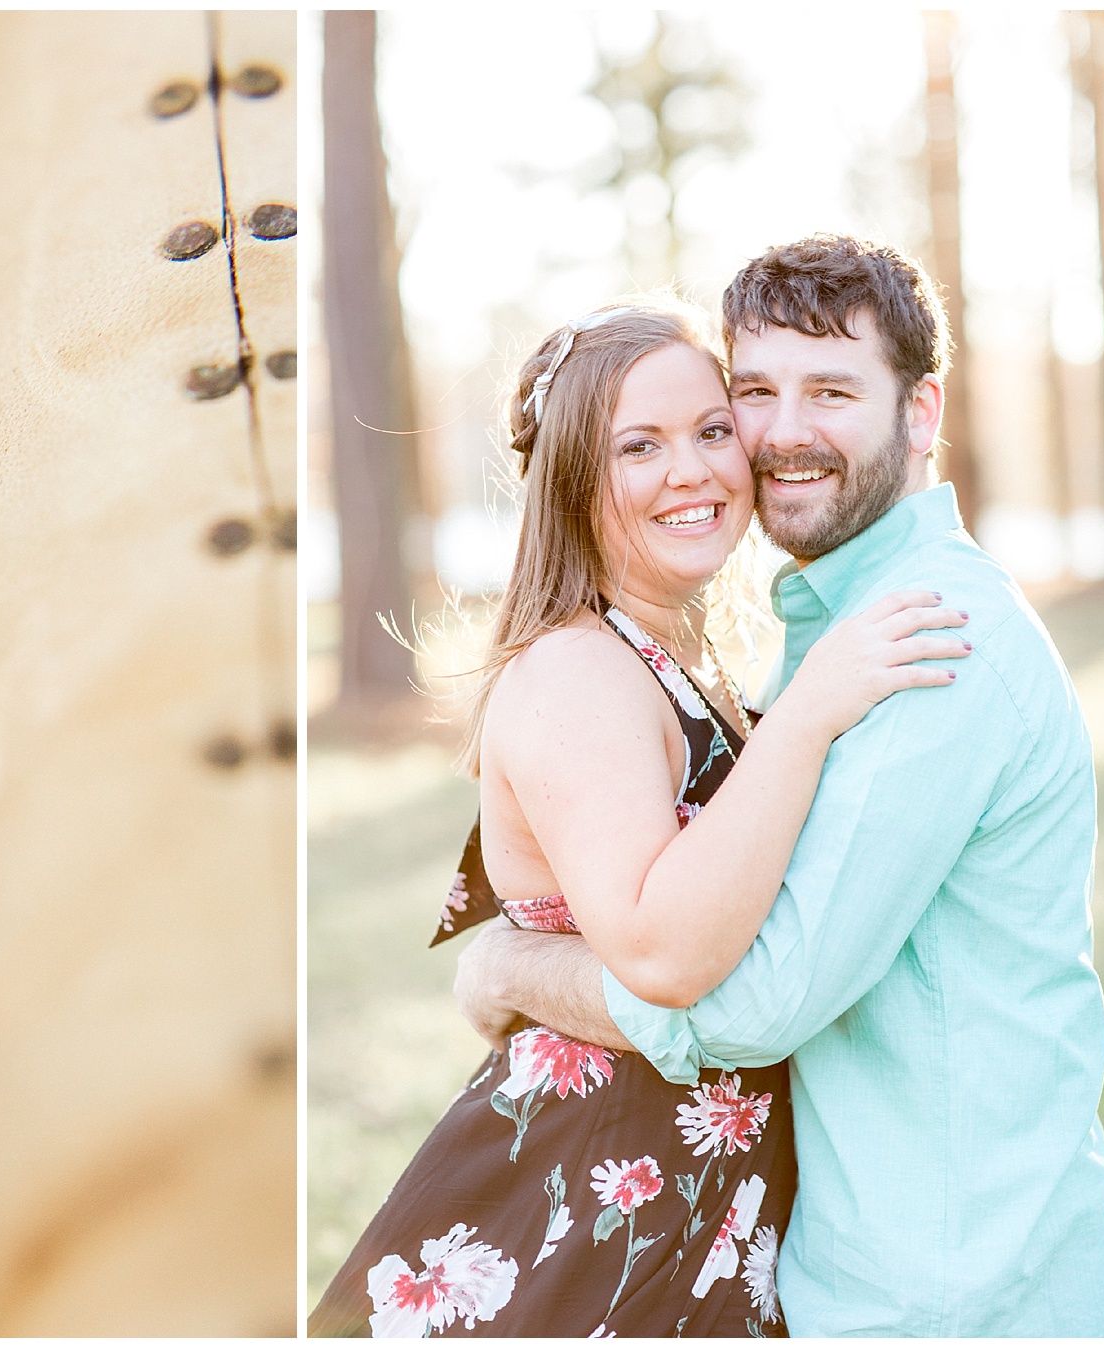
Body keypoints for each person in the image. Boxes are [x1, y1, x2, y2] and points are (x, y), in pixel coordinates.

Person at [453, 236, 1104, 1336]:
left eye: (833, 392)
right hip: (802, 1259)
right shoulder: (824, 638)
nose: (782, 433)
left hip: (947, 1293)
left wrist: (512, 966)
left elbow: (754, 998)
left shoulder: (929, 640)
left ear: (920, 411)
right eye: (756, 392)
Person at [309, 292, 972, 1337]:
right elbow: (664, 952)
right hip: (592, 1209)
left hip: (693, 1207)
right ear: (574, 479)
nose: (693, 470)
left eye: (712, 430)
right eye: (639, 447)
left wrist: (510, 966)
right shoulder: (578, 670)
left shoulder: (673, 653)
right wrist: (808, 716)